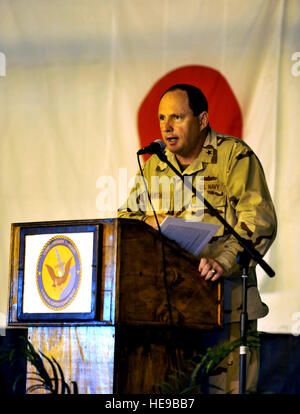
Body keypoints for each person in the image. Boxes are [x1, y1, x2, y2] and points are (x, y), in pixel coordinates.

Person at [117, 83, 277, 393]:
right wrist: (150, 220)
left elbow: (259, 222)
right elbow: (126, 219)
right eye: (162, 118)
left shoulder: (233, 156)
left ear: (202, 120)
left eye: (177, 117)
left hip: (226, 308)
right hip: (168, 316)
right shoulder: (154, 166)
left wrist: (223, 261)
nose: (167, 126)